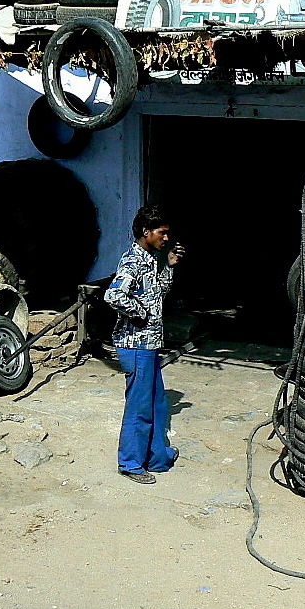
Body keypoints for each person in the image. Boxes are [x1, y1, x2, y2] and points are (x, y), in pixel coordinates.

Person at [103, 204, 186, 484]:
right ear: (145, 232)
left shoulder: (150, 258)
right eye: (161, 233)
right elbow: (114, 296)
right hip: (135, 345)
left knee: (157, 404)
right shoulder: (133, 261)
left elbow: (157, 291)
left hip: (149, 345)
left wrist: (170, 267)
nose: (166, 238)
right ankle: (130, 464)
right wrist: (143, 313)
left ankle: (157, 458)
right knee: (139, 408)